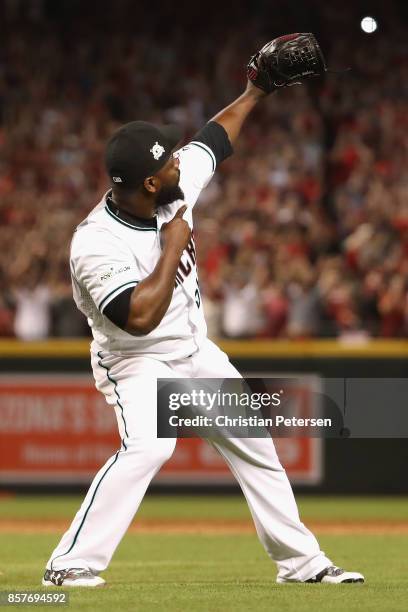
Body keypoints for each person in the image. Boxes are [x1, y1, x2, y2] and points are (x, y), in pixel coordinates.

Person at [42, 39, 364, 587]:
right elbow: (138, 317)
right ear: (148, 183)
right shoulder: (95, 244)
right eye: (167, 162)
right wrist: (173, 247)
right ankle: (68, 564)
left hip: (194, 352)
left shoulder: (170, 186)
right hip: (137, 362)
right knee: (150, 445)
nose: (177, 162)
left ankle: (303, 564)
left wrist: (254, 91)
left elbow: (213, 139)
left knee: (255, 440)